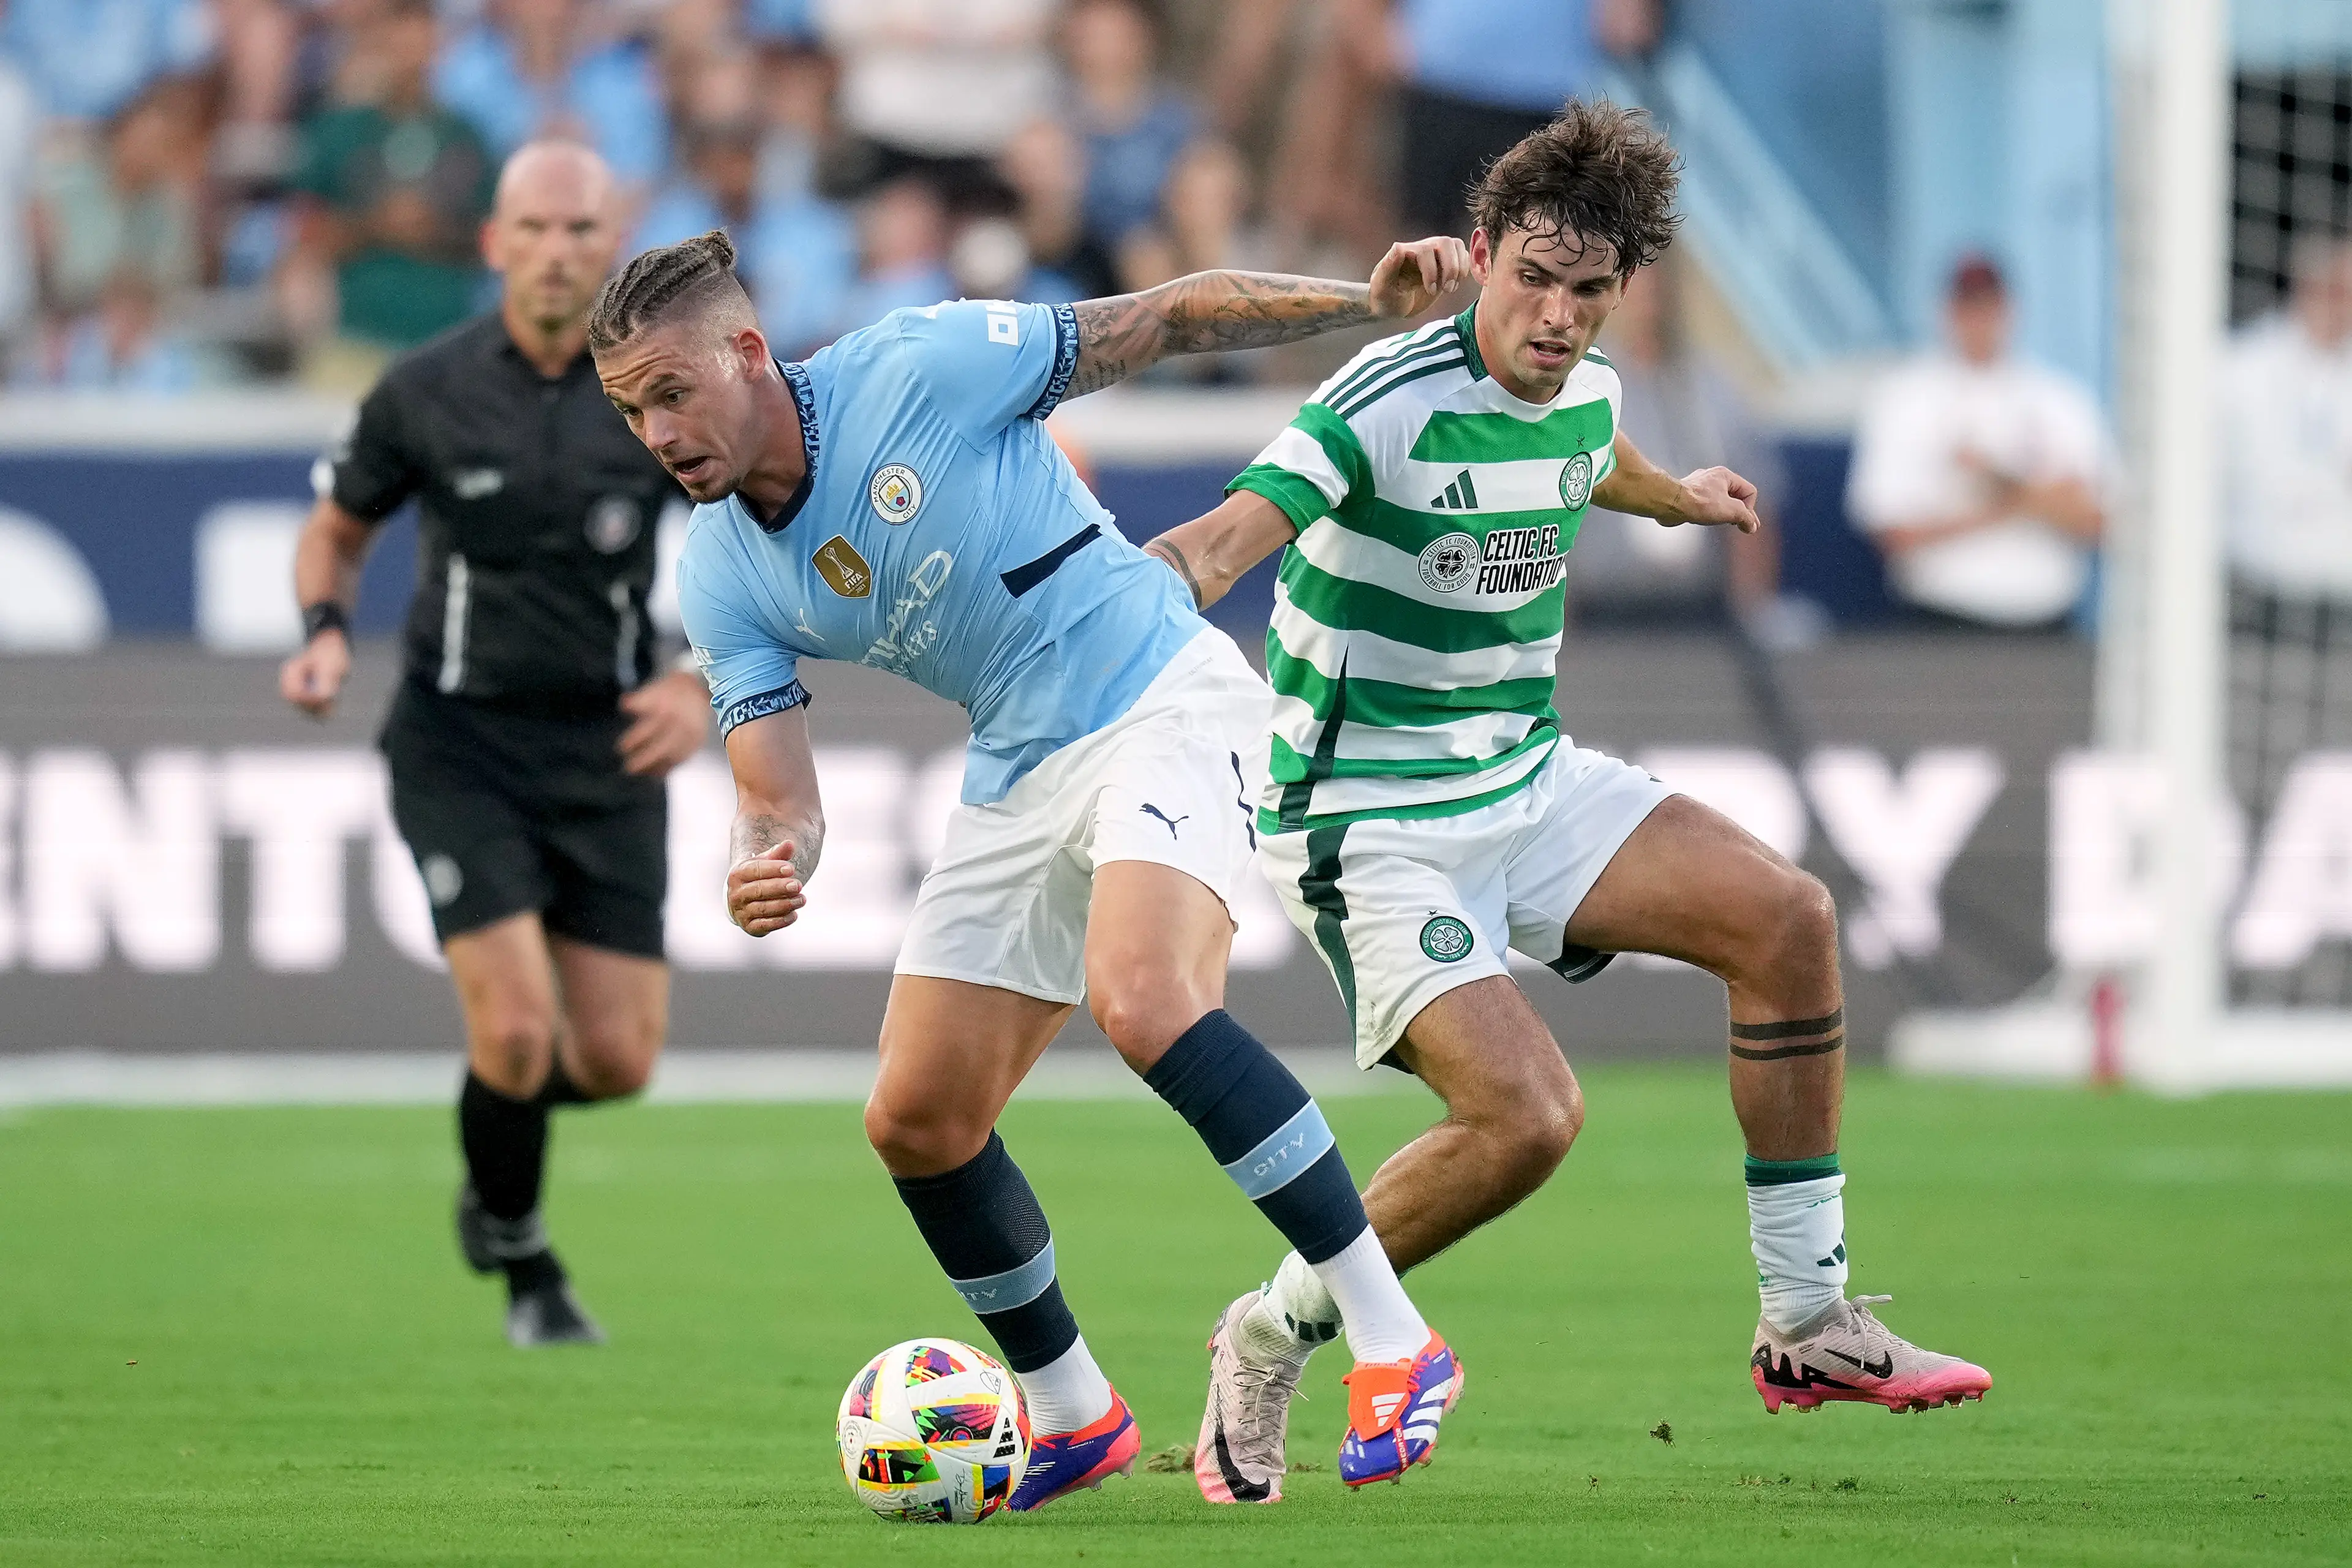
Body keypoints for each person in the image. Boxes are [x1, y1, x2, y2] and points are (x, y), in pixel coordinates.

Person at [1139, 102, 1993, 1507]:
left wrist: (1680, 500)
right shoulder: (1380, 401)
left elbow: (1598, 460)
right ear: (1479, 255)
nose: (1554, 315)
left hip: (1524, 779)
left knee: (1787, 919)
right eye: (1532, 277)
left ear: (1619, 291)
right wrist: (1109, 605)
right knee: (1528, 1117)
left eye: (1587, 291)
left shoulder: (1587, 389)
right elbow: (1226, 537)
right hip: (1366, 821)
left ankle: (1806, 1319)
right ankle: (1269, 1330)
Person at [589, 227, 1474, 1506]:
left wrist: (1366, 303)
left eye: (672, 393)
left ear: (748, 350)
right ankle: (1072, 1409)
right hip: (1018, 762)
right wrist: (763, 858)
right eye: (631, 412)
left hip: (1162, 694)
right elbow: (776, 799)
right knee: (916, 1118)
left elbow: (1170, 315)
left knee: (1148, 1000)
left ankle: (1397, 1340)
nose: (658, 434)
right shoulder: (720, 568)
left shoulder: (921, 365)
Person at [277, 142, 708, 1348]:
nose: (558, 251)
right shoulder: (426, 389)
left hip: (612, 749)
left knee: (616, 1060)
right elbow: (337, 528)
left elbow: (759, 547)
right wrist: (322, 633)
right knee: (516, 1031)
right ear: (495, 242)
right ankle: (523, 1255)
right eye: (535, 228)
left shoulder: (662, 391)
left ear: (611, 246)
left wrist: (700, 681)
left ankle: (494, 1132)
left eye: (580, 230)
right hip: (460, 743)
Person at [2220, 232, 2352, 1003]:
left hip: (2346, 621)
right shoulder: (2238, 370)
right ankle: (2251, 961)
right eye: (2333, 286)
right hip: (2264, 614)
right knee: (2265, 785)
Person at [1845, 255, 2111, 630]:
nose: (1978, 320)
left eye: (1988, 306)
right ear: (1946, 311)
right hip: (1940, 620)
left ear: (2009, 309)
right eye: (1968, 306)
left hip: (2046, 623)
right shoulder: (1906, 397)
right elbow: (1893, 532)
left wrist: (2000, 484)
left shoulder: (2061, 400)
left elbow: (2104, 522)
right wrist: (2032, 500)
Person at [282, 0, 496, 379]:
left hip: (448, 344)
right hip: (356, 342)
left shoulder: (467, 137)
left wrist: (434, 230)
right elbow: (304, 233)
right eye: (400, 36)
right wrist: (376, 225)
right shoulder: (338, 132)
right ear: (379, 41)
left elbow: (494, 243)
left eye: (421, 37)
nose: (411, 53)